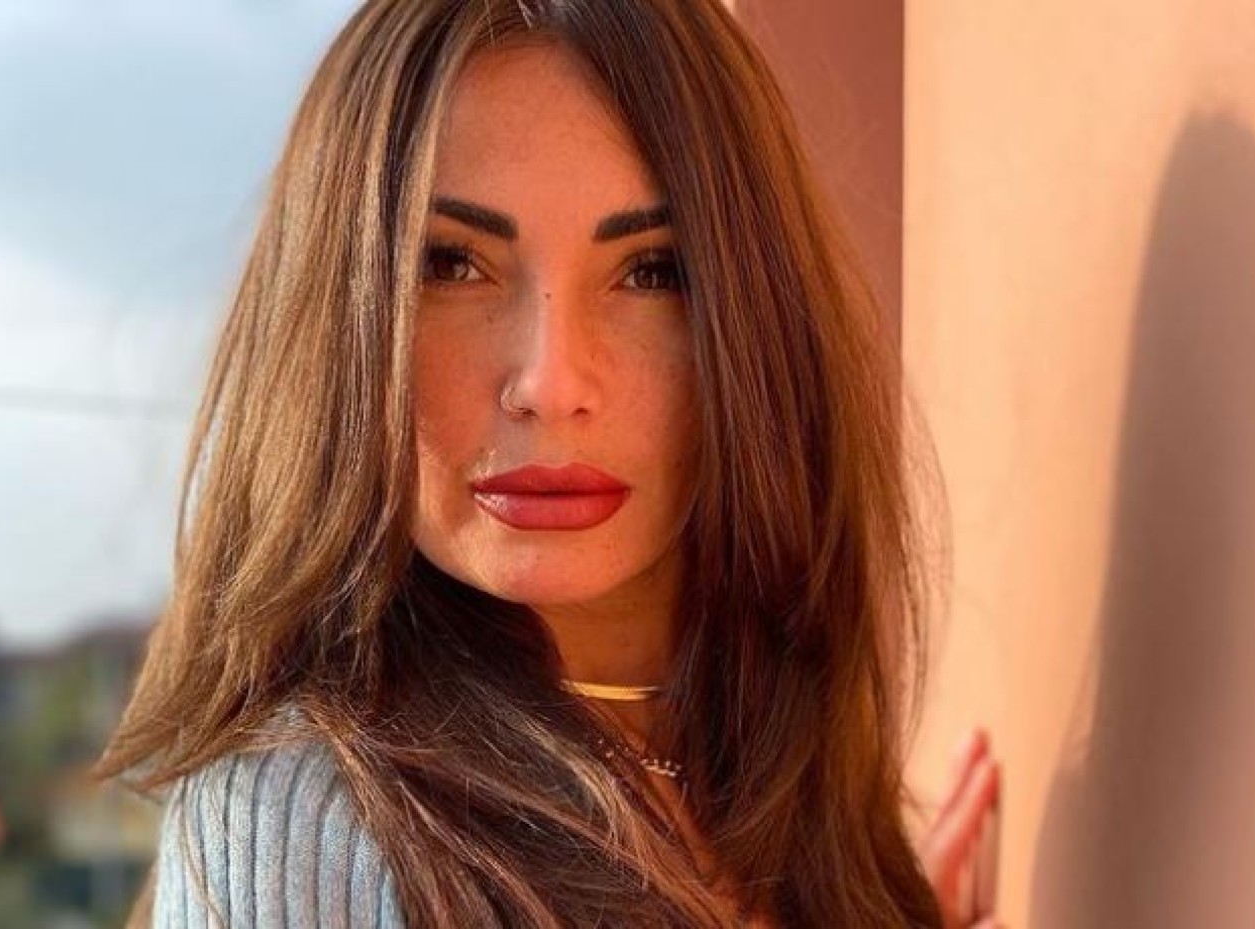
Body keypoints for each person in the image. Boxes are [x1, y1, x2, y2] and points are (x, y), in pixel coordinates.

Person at [93, 0, 1002, 926]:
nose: (550, 381)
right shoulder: (305, 820)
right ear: (341, 319)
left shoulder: (786, 792)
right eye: (452, 264)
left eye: (652, 271)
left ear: (753, 315)